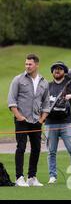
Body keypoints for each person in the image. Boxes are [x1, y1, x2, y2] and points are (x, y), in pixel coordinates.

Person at [7, 54, 50, 187]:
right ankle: (19, 177)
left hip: (36, 121)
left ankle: (32, 177)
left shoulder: (44, 82)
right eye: (26, 64)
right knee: (21, 147)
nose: (27, 66)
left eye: (30, 64)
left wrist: (42, 119)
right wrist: (19, 117)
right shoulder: (18, 80)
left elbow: (46, 104)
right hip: (21, 120)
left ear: (37, 65)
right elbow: (11, 101)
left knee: (36, 148)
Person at [46, 61, 71, 184]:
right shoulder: (47, 86)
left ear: (64, 72)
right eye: (55, 69)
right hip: (50, 123)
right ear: (52, 72)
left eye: (60, 69)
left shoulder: (70, 85)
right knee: (51, 151)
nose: (57, 71)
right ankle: (52, 176)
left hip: (66, 123)